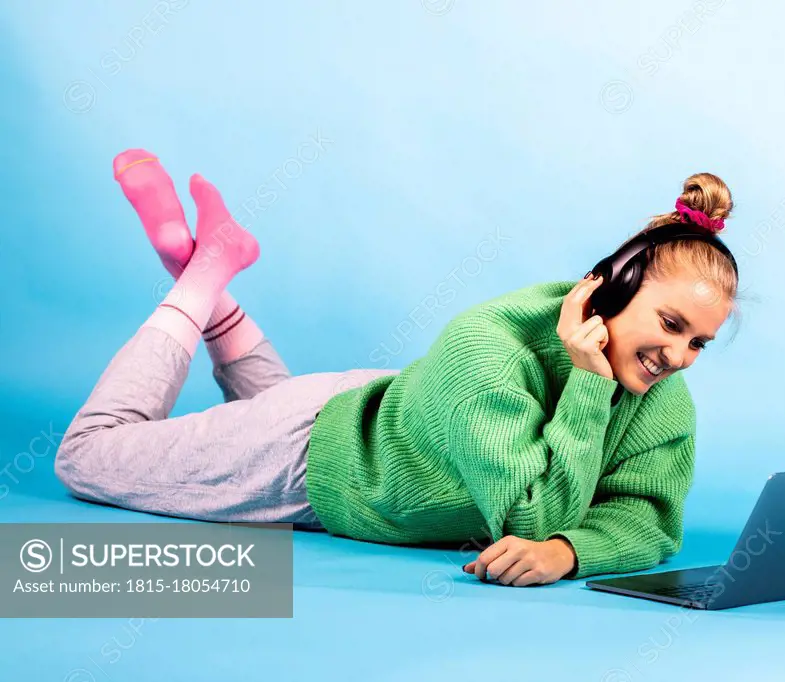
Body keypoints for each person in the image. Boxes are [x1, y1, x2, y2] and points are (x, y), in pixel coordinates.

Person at [54, 149, 738, 587]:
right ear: (605, 293)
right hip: (309, 459)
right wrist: (585, 387)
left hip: (384, 431)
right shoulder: (488, 350)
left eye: (700, 343)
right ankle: (201, 279)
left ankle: (209, 267)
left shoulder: (659, 394)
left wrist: (570, 551)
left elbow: (650, 519)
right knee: (89, 455)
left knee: (267, 408)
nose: (678, 359)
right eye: (672, 325)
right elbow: (530, 517)